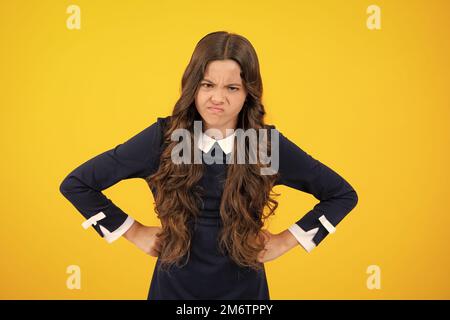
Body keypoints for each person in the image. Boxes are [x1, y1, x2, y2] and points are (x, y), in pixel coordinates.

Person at [59, 31, 358, 300]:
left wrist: (285, 241)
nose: (218, 98)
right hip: (172, 293)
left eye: (232, 88)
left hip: (245, 296)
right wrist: (132, 231)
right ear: (193, 86)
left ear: (248, 94)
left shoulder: (266, 146)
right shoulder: (163, 139)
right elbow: (77, 183)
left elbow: (342, 194)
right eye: (208, 84)